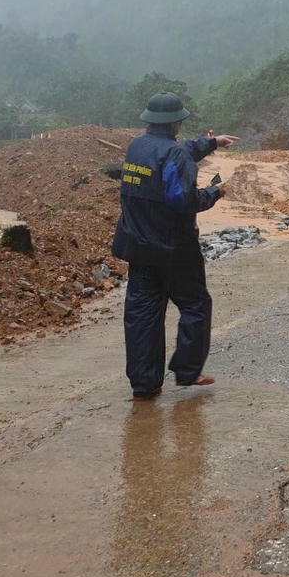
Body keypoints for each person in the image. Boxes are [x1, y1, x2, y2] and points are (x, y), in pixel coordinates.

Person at [111, 91, 239, 400]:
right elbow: (182, 200)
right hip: (174, 249)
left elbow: (174, 153)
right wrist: (214, 193)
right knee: (195, 305)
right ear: (176, 123)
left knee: (143, 314)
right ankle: (188, 370)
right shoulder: (176, 154)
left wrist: (211, 142)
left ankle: (144, 384)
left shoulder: (137, 146)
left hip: (138, 246)